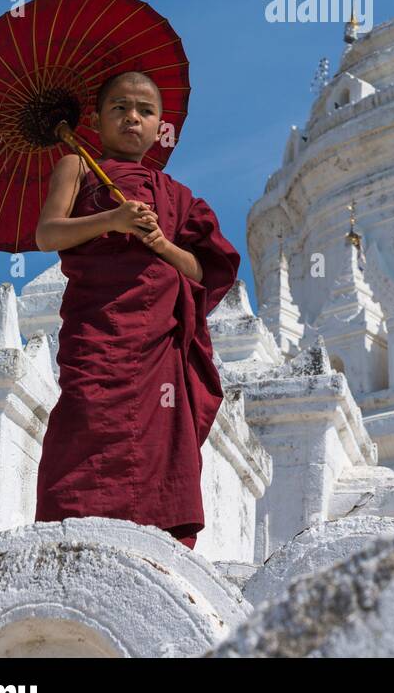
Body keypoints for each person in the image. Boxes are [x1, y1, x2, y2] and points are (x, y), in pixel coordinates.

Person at [33, 69, 240, 551]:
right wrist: (114, 218)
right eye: (119, 108)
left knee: (158, 439)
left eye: (146, 111)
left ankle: (156, 544)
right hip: (98, 330)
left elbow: (202, 273)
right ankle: (71, 537)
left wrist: (161, 244)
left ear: (160, 126)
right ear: (98, 121)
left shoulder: (178, 198)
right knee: (86, 417)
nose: (133, 118)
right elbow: (48, 235)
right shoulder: (76, 167)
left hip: (157, 344)